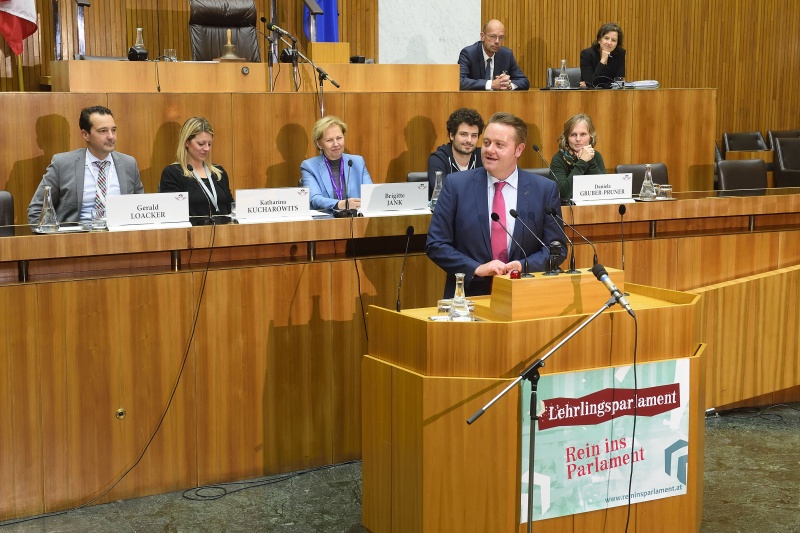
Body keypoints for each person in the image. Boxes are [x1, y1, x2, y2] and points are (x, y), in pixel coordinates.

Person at [426, 112, 565, 297]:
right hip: (469, 296)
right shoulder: (456, 185)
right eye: (486, 143)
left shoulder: (544, 190)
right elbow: (436, 244)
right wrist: (476, 268)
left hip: (526, 294)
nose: (489, 150)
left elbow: (557, 248)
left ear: (519, 150)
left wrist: (524, 265)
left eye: (499, 145)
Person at [28, 106, 144, 225]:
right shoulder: (62, 164)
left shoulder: (129, 164)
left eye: (113, 130)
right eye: (103, 131)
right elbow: (37, 211)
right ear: (85, 135)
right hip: (76, 239)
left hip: (120, 237)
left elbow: (141, 209)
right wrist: (57, 241)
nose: (111, 136)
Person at [159, 117, 234, 225]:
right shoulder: (173, 173)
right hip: (191, 237)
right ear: (187, 142)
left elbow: (230, 206)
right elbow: (172, 215)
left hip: (224, 236)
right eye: (201, 144)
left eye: (209, 144)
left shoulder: (218, 172)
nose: (207, 148)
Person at [301, 116, 372, 212]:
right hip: (327, 221)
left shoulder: (357, 162)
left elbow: (370, 193)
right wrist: (341, 204)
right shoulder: (309, 166)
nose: (336, 144)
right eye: (329, 140)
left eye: (339, 138)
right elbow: (315, 199)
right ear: (319, 144)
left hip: (357, 219)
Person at [458, 19, 530, 91]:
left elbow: (524, 81)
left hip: (498, 101)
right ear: (482, 36)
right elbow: (460, 81)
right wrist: (491, 84)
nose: (497, 41)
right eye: (492, 36)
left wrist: (508, 85)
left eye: (501, 37)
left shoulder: (506, 55)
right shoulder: (468, 53)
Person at [427, 108, 484, 198]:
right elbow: (444, 193)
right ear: (452, 135)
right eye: (463, 134)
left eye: (474, 135)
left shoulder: (483, 156)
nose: (469, 140)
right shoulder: (438, 159)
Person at [549, 114, 607, 202]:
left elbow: (604, 189)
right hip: (567, 210)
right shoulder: (558, 159)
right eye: (573, 135)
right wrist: (582, 162)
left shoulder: (596, 156)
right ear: (566, 138)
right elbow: (563, 194)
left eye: (583, 134)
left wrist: (590, 160)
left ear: (590, 137)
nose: (578, 139)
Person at [580, 22, 626, 89]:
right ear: (599, 40)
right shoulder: (587, 54)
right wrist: (603, 61)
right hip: (590, 95)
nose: (609, 43)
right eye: (606, 38)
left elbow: (619, 82)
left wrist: (598, 85)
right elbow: (591, 83)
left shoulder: (620, 54)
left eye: (613, 40)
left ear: (617, 44)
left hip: (613, 95)